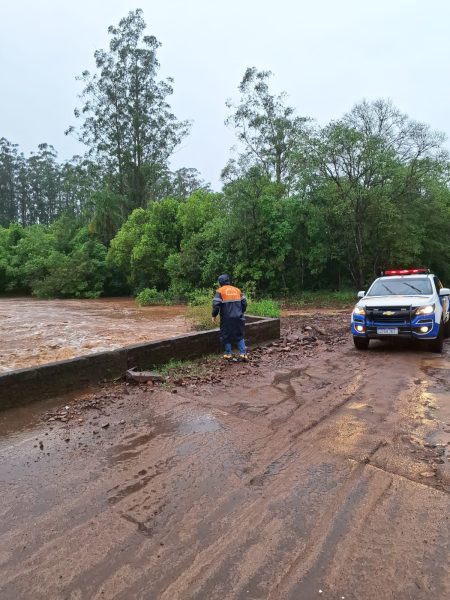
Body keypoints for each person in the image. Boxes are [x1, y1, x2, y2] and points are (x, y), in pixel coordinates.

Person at [212, 274, 248, 361]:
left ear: (220, 282)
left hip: (226, 318)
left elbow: (216, 305)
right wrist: (241, 312)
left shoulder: (220, 291)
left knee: (225, 335)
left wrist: (213, 315)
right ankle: (243, 355)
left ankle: (229, 354)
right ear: (228, 281)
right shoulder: (237, 290)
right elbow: (244, 303)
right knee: (240, 335)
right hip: (239, 317)